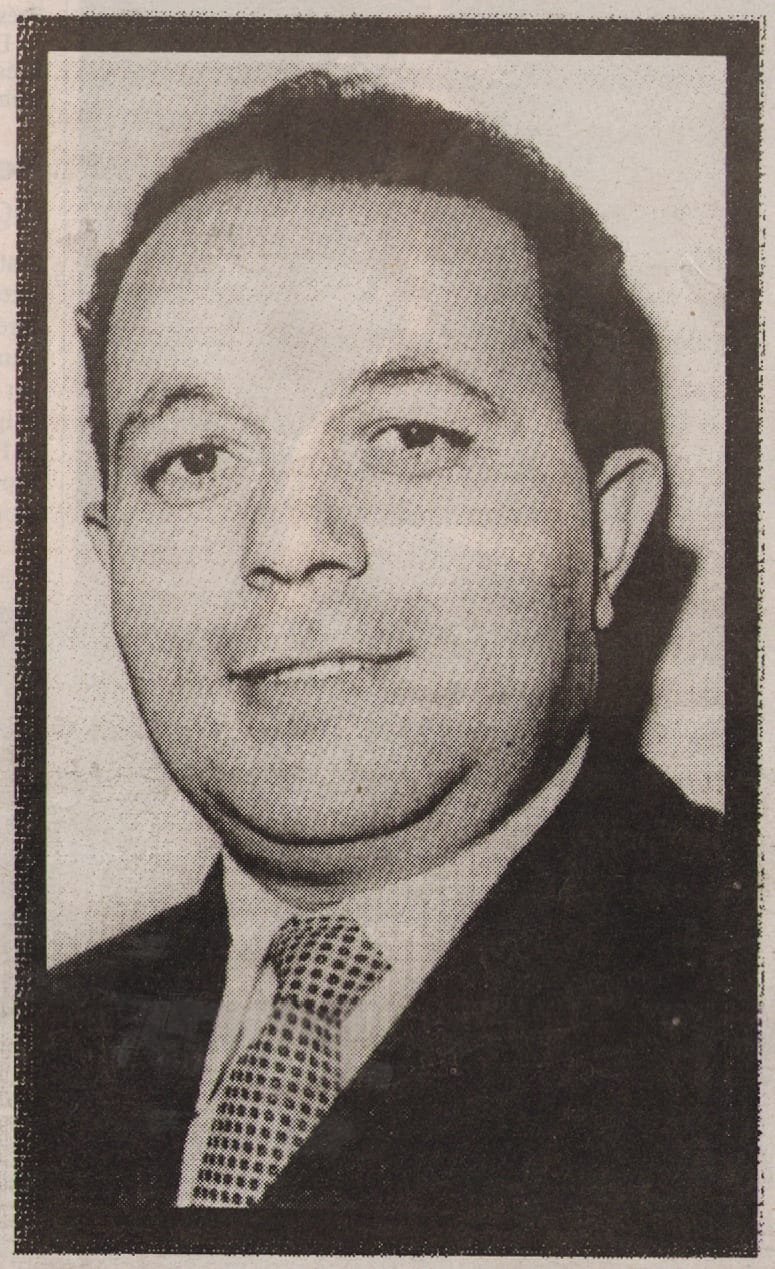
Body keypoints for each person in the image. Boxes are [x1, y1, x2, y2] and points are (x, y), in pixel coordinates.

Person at [30, 70, 754, 1254]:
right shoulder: (40, 1055)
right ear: (110, 558)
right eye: (195, 461)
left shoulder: (735, 1014)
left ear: (608, 535)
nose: (288, 543)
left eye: (412, 437)